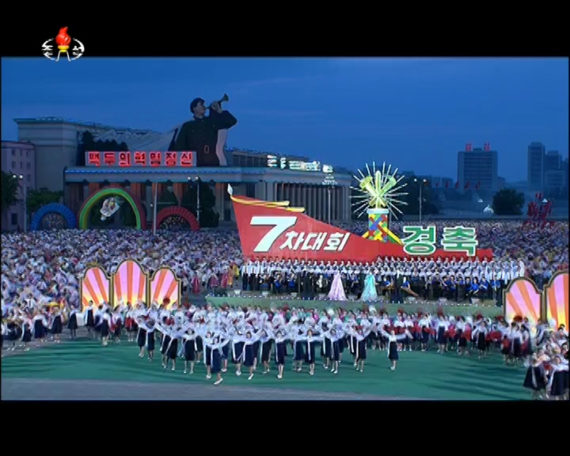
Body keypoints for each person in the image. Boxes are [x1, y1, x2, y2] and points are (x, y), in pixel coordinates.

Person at [173, 97, 237, 167]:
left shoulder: (211, 122)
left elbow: (232, 121)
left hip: (213, 161)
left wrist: (220, 111)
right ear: (194, 108)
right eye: (201, 105)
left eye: (204, 104)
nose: (204, 106)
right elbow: (180, 146)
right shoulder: (188, 126)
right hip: (195, 162)